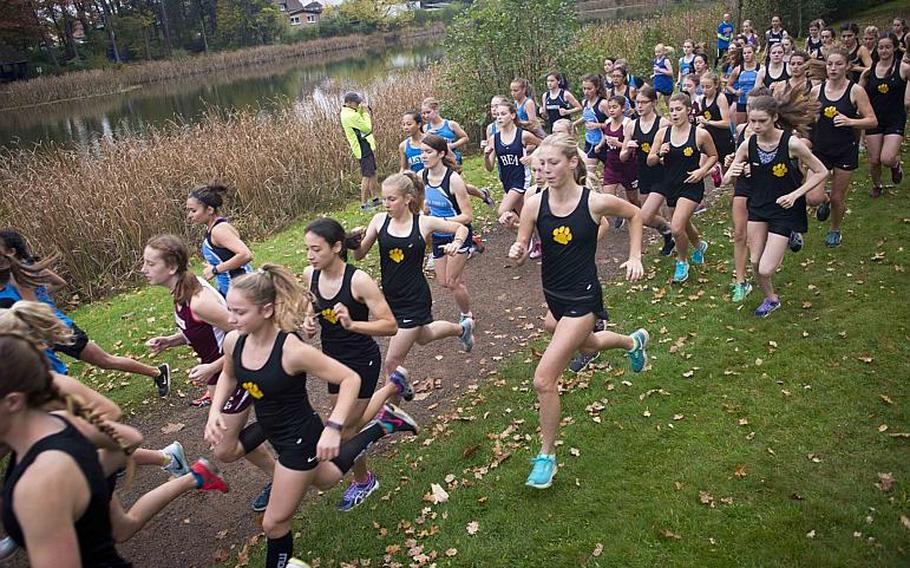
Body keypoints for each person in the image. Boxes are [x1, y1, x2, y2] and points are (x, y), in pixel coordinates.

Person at [214, 265, 418, 568]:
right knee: (325, 479)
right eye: (230, 310)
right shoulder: (235, 341)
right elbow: (228, 375)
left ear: (267, 310)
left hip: (300, 438)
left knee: (274, 523)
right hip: (275, 432)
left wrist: (334, 427)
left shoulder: (291, 350)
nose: (231, 319)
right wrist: (214, 411)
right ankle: (384, 424)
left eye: (240, 312)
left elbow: (349, 379)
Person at [507, 133, 649, 489]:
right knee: (586, 345)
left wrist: (635, 256)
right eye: (541, 165)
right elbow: (523, 244)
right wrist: (518, 250)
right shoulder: (533, 204)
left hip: (583, 298)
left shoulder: (595, 202)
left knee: (543, 378)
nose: (546, 170)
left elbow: (635, 215)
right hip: (553, 296)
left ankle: (546, 457)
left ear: (572, 162)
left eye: (553, 163)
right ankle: (633, 344)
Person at [141, 234, 276, 511]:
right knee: (229, 439)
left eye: (150, 263)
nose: (143, 269)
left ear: (171, 267)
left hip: (234, 372)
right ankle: (278, 477)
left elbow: (242, 331)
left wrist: (213, 367)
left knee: (224, 449)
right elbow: (201, 331)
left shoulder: (199, 299)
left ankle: (282, 417)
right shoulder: (181, 291)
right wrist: (171, 340)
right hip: (219, 377)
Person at [301, 217, 413, 511]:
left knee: (344, 428)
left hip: (361, 359)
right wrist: (309, 321)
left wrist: (353, 325)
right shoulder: (309, 274)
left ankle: (364, 482)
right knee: (346, 423)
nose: (310, 256)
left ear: (337, 247)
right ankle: (392, 390)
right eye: (307, 250)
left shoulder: (358, 280)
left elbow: (390, 325)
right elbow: (312, 306)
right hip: (331, 360)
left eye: (315, 249)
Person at [0, 235, 170, 396]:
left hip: (53, 329)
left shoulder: (19, 275)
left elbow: (34, 309)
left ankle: (156, 372)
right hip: (42, 331)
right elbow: (58, 285)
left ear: (10, 251)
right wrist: (43, 295)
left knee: (101, 362)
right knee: (57, 378)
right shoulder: (20, 271)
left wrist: (39, 305)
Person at [353, 172, 476, 380]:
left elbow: (460, 227)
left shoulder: (423, 223)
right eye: (384, 199)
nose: (386, 204)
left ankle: (391, 409)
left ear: (407, 199)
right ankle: (462, 329)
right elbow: (359, 255)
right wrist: (355, 241)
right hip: (390, 297)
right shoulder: (379, 221)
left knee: (392, 362)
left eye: (391, 199)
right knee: (424, 336)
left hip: (414, 298)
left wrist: (456, 243)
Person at [723, 95, 828, 317]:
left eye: (762, 121)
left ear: (775, 118)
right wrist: (730, 174)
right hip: (759, 207)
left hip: (785, 210)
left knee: (765, 268)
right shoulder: (748, 145)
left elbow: (821, 171)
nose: (756, 126)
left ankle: (789, 235)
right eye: (752, 121)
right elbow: (727, 179)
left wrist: (796, 195)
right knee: (754, 261)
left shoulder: (791, 143)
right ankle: (771, 299)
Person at [647, 93, 718, 284]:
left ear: (688, 110)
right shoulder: (663, 134)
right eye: (671, 110)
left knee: (677, 227)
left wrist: (702, 171)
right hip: (670, 185)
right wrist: (659, 153)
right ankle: (699, 245)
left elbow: (713, 156)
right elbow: (650, 160)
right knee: (684, 224)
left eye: (678, 109)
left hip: (691, 186)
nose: (674, 113)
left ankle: (682, 262)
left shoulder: (700, 134)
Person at [810, 49, 877, 247]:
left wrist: (850, 121)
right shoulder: (816, 91)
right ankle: (824, 198)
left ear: (847, 66)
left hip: (844, 150)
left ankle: (834, 230)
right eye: (830, 64)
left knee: (838, 199)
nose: (833, 68)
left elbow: (872, 121)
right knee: (812, 197)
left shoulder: (855, 91)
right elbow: (808, 119)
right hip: (820, 149)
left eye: (838, 64)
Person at [423, 133, 477, 322]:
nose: (423, 156)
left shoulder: (453, 180)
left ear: (441, 154)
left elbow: (467, 215)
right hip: (438, 235)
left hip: (458, 233)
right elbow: (429, 203)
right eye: (422, 152)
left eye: (428, 152)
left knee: (453, 281)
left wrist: (442, 222)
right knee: (444, 281)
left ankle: (467, 316)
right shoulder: (424, 175)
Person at [725, 86, 772, 302]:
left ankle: (787, 234)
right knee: (739, 234)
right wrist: (731, 164)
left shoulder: (781, 135)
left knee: (766, 233)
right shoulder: (743, 129)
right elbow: (734, 168)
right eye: (750, 106)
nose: (754, 120)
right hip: (744, 186)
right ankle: (740, 281)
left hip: (770, 187)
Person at [620, 84, 676, 257]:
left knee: (646, 215)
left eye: (644, 102)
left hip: (663, 173)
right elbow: (622, 156)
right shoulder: (631, 126)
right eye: (637, 102)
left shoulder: (663, 123)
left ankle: (678, 237)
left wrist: (665, 153)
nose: (640, 106)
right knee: (649, 218)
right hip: (643, 172)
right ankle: (669, 234)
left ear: (653, 103)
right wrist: (628, 149)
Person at [861, 34, 909, 197]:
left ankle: (895, 165)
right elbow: (859, 93)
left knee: (887, 158)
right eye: (881, 47)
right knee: (874, 160)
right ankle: (877, 185)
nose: (884, 50)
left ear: (895, 47)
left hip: (895, 118)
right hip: (874, 119)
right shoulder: (869, 72)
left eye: (888, 47)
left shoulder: (903, 68)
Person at [185, 184, 253, 297]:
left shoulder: (219, 230)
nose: (189, 215)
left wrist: (215, 270)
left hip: (244, 292)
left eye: (193, 210)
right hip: (232, 293)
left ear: (210, 209)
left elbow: (246, 255)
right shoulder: (215, 228)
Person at [486, 102, 541, 235]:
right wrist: (486, 156)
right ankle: (535, 239)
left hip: (521, 179)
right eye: (497, 115)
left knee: (503, 212)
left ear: (512, 115)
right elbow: (489, 167)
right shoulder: (494, 138)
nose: (499, 117)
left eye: (503, 114)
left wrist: (532, 157)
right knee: (525, 215)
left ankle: (525, 236)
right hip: (507, 182)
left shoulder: (522, 135)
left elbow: (543, 144)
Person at [340, 92, 381, 211]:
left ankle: (375, 198)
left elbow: (358, 118)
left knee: (372, 172)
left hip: (365, 145)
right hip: (361, 147)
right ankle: (363, 204)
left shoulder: (349, 111)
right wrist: (366, 113)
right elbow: (367, 128)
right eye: (356, 102)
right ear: (348, 103)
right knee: (367, 175)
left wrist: (360, 110)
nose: (358, 104)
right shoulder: (350, 116)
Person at [575, 74, 611, 191]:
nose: (586, 92)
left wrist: (598, 125)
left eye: (589, 89)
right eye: (584, 88)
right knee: (587, 174)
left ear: (596, 88)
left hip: (605, 142)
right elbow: (586, 116)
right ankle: (591, 197)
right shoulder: (585, 102)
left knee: (612, 172)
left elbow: (614, 122)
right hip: (590, 142)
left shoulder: (603, 103)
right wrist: (574, 123)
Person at [696, 72, 735, 166]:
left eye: (708, 87)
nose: (705, 90)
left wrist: (708, 122)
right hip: (710, 138)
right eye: (702, 87)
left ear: (716, 85)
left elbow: (726, 123)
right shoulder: (703, 99)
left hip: (723, 138)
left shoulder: (720, 98)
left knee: (725, 168)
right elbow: (706, 118)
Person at [420, 97, 469, 165]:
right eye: (424, 113)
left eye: (428, 112)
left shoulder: (450, 124)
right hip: (436, 161)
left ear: (436, 110)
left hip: (452, 159)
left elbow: (465, 138)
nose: (426, 116)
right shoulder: (425, 128)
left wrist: (452, 145)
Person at [727, 44, 762, 125]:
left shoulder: (760, 68)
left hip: (755, 102)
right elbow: (728, 85)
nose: (747, 55)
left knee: (753, 126)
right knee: (740, 126)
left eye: (749, 52)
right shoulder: (738, 69)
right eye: (744, 53)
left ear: (754, 53)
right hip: (741, 100)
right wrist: (735, 92)